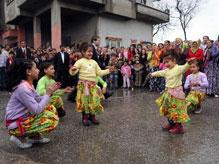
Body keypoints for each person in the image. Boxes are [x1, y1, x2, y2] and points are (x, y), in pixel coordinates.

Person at [5, 59, 60, 149]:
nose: (38, 70)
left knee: (51, 109)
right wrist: (48, 94)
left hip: (23, 116)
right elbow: (36, 110)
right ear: (28, 72)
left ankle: (34, 136)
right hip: (15, 122)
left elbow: (38, 99)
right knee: (51, 120)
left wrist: (50, 92)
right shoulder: (23, 88)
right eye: (36, 68)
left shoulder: (27, 84)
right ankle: (18, 136)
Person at [69, 42, 114, 126]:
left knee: (94, 101)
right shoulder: (80, 61)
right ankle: (85, 117)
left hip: (93, 85)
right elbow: (73, 73)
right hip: (83, 86)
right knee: (85, 102)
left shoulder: (94, 62)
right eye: (88, 51)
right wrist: (73, 70)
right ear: (83, 52)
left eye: (92, 51)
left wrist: (108, 70)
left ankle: (92, 117)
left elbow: (99, 72)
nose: (90, 53)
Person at [149, 51, 194, 134]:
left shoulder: (178, 68)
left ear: (174, 61)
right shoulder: (166, 70)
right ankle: (171, 124)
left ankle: (179, 127)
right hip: (168, 93)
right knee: (168, 109)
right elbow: (160, 72)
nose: (166, 64)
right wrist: (152, 74)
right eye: (165, 62)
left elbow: (185, 68)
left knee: (176, 110)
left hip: (176, 94)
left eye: (168, 62)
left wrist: (188, 63)